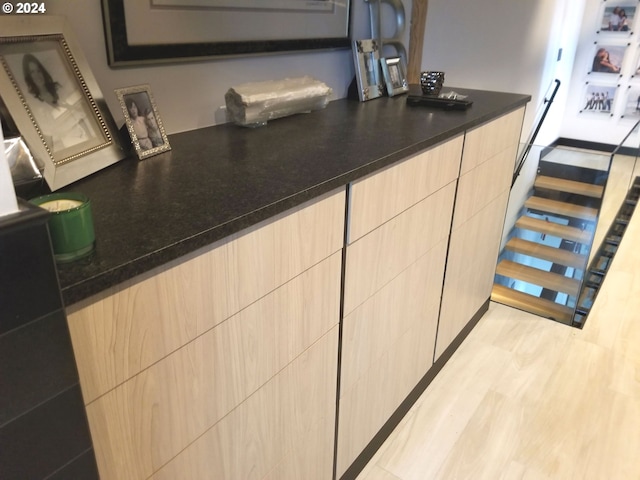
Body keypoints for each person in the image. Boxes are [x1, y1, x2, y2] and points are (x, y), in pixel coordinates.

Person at [22, 53, 94, 153]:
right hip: (68, 147)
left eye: (38, 70)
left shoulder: (58, 89)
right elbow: (48, 136)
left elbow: (79, 115)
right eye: (32, 72)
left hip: (85, 135)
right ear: (29, 77)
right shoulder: (35, 105)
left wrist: (91, 137)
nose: (37, 75)